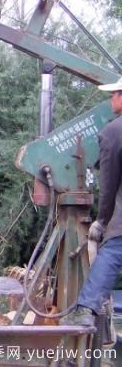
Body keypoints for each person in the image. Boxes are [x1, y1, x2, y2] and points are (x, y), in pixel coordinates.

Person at [61, 77, 122, 326]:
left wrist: (102, 221)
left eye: (114, 94)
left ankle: (85, 310)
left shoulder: (113, 132)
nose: (111, 99)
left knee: (112, 250)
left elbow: (108, 185)